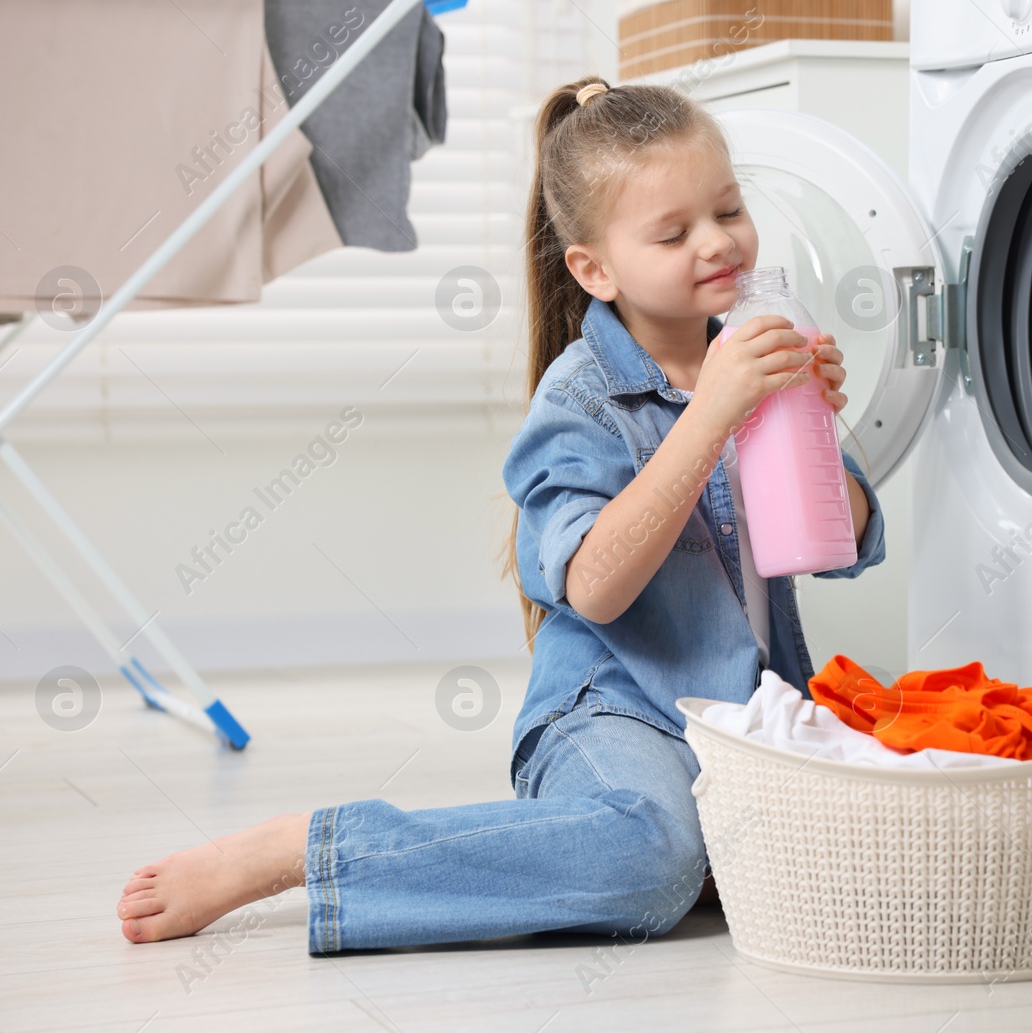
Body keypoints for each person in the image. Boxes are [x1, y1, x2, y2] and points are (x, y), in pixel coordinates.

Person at [115, 74, 887, 953]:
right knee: (650, 865)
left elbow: (843, 545)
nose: (717, 242)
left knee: (877, 829)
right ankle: (309, 848)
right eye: (673, 233)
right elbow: (594, 585)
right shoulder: (583, 398)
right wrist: (709, 417)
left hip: (750, 707)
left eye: (729, 210)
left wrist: (818, 430)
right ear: (595, 270)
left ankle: (679, 841)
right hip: (617, 714)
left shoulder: (756, 354)